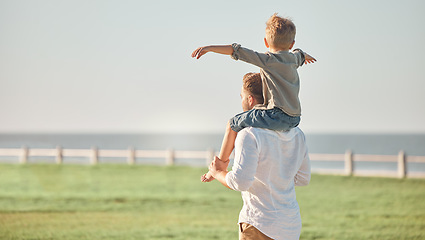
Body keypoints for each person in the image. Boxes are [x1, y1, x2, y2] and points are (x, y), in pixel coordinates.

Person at [191, 13, 316, 182]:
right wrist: (304, 55)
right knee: (257, 111)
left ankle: (219, 167)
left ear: (265, 42)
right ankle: (220, 167)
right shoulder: (294, 59)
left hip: (276, 115)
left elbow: (237, 51)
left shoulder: (268, 60)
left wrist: (210, 48)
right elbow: (300, 53)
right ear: (292, 43)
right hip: (295, 118)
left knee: (233, 123)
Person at [208, 72, 311, 240]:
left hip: (259, 224)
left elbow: (240, 182)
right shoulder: (297, 134)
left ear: (250, 100)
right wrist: (276, 178)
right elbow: (303, 178)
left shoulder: (249, 134)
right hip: (290, 226)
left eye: (241, 96)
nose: (241, 101)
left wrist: (217, 173)